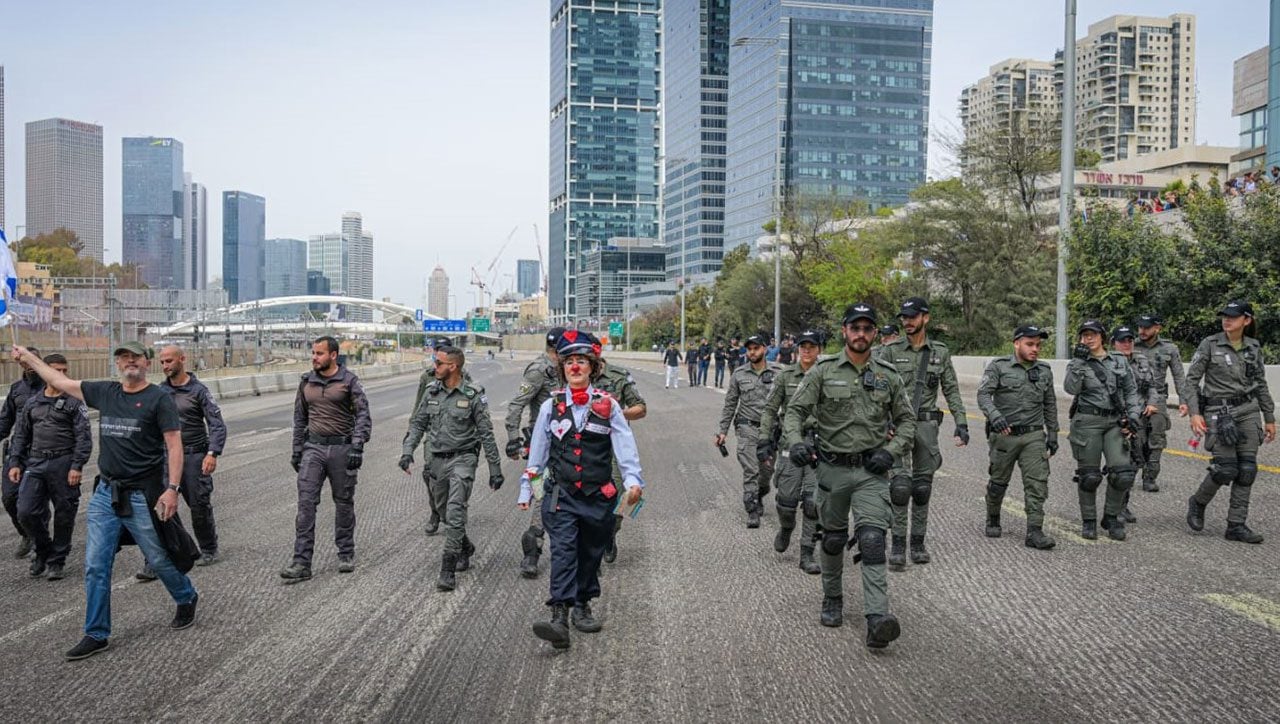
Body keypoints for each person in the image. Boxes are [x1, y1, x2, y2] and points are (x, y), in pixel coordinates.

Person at [13, 342, 198, 661]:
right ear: (117, 363)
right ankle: (96, 633)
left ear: (146, 362)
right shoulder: (105, 392)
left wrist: (173, 488)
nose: (130, 362)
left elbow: (174, 445)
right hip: (105, 495)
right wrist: (30, 358)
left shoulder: (158, 399)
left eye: (136, 357)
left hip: (142, 495)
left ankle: (185, 596)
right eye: (124, 357)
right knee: (96, 565)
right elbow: (59, 382)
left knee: (158, 556)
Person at [784, 303, 911, 648]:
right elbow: (795, 411)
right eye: (855, 328)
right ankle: (833, 597)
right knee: (834, 539)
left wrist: (891, 451)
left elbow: (908, 421)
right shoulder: (823, 371)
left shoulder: (887, 375)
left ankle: (877, 618)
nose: (861, 334)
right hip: (831, 470)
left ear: (873, 334)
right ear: (844, 331)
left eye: (867, 329)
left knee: (872, 539)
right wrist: (795, 442)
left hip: (871, 471)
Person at [518, 331, 644, 650]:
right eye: (569, 362)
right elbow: (538, 453)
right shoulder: (551, 406)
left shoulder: (608, 406)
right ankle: (559, 616)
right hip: (561, 495)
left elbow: (624, 446)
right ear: (563, 370)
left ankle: (583, 604)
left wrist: (632, 481)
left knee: (590, 553)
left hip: (598, 496)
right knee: (563, 550)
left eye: (581, 362)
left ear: (593, 368)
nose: (575, 367)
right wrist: (527, 489)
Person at [875, 297, 968, 568]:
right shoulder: (890, 352)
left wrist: (961, 422)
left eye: (912, 317)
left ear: (925, 318)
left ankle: (918, 543)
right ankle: (898, 545)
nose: (906, 322)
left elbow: (950, 388)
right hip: (899, 426)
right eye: (903, 317)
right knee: (900, 487)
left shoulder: (939, 352)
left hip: (927, 426)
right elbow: (879, 391)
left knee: (922, 487)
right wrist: (883, 422)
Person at [400, 346, 503, 591]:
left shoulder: (473, 394)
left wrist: (495, 468)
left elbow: (486, 433)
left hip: (463, 459)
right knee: (444, 512)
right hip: (436, 460)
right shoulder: (431, 391)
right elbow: (418, 424)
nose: (434, 367)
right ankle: (465, 546)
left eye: (439, 364)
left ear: (453, 366)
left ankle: (447, 569)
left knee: (456, 512)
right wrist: (407, 451)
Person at [281, 336, 372, 583]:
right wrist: (297, 450)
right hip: (314, 449)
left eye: (319, 354)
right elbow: (299, 418)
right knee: (306, 504)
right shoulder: (306, 382)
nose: (314, 358)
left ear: (333, 355)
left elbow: (363, 414)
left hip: (342, 450)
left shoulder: (349, 381)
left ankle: (345, 553)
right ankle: (301, 562)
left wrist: (357, 447)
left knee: (343, 502)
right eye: (313, 353)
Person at [1185, 300, 1275, 543]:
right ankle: (1198, 502)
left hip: (1248, 410)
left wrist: (1269, 417)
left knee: (1246, 470)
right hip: (1218, 410)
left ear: (1246, 320)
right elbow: (1191, 381)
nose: (1227, 320)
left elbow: (1261, 385)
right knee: (1225, 469)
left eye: (1233, 317)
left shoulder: (1253, 347)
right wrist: (1194, 413)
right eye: (1225, 316)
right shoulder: (1210, 344)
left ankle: (1236, 525)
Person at [137, 345, 226, 576]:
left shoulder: (199, 391)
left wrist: (212, 453)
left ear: (182, 360)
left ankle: (208, 548)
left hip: (194, 456)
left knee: (199, 505)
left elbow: (216, 424)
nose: (166, 366)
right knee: (162, 507)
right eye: (163, 362)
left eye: (169, 361)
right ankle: (156, 559)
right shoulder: (158, 393)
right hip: (165, 458)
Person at [8, 353, 92, 579]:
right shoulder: (33, 403)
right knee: (25, 511)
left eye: (65, 371)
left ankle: (57, 560)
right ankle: (43, 549)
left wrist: (77, 465)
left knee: (65, 514)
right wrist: (15, 461)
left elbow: (84, 437)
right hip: (35, 462)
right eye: (56, 370)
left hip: (63, 463)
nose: (61, 375)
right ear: (46, 371)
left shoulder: (75, 402)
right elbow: (21, 435)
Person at [976, 325, 1058, 549]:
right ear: (1016, 343)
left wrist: (1053, 434)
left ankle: (1034, 531)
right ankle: (993, 516)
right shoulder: (999, 367)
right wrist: (995, 416)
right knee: (998, 483)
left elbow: (1050, 403)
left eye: (1038, 345)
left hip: (1033, 436)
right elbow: (983, 395)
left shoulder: (1044, 370)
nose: (1035, 349)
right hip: (1005, 435)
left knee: (1037, 484)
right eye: (1030, 344)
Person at [1064, 320, 1141, 542]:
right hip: (1087, 421)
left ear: (1102, 337)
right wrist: (1078, 362)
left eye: (1093, 334)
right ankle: (1089, 521)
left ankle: (1111, 517)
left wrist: (1134, 416)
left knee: (1123, 473)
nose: (1088, 339)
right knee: (1089, 476)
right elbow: (1070, 388)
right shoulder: (1077, 362)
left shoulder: (1117, 360)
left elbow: (1130, 390)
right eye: (1084, 335)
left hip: (1114, 422)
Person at [758, 328, 823, 574]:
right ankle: (786, 528)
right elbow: (769, 409)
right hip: (789, 444)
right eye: (803, 346)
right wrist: (764, 440)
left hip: (817, 445)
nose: (807, 351)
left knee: (812, 502)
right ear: (797, 349)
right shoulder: (785, 377)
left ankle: (807, 552)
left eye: (812, 346)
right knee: (786, 503)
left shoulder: (827, 375)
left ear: (819, 350)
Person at [504, 328, 563, 577]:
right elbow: (517, 404)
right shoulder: (539, 370)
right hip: (544, 444)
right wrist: (513, 439)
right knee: (544, 495)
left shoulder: (569, 369)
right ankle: (533, 550)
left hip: (570, 441)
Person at [716, 333, 782, 528]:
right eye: (749, 349)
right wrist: (723, 431)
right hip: (746, 427)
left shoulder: (779, 372)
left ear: (764, 349)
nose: (752, 352)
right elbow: (730, 404)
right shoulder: (739, 374)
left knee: (766, 471)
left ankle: (760, 494)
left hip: (770, 431)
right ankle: (751, 509)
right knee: (750, 469)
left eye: (756, 348)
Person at [591, 353, 646, 564]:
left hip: (614, 446)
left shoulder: (619, 376)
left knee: (621, 495)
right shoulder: (574, 377)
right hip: (585, 448)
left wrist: (615, 414)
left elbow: (641, 408)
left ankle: (610, 532)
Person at [1132, 314, 1189, 492]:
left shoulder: (1169, 348)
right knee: (1136, 438)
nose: (1142, 331)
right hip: (1136, 398)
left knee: (1156, 440)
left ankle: (1150, 477)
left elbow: (1179, 375)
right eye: (1140, 327)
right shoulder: (1131, 345)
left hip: (1159, 399)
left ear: (1157, 328)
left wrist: (1183, 400)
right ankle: (1129, 475)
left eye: (1147, 327)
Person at [1109, 326, 1159, 525]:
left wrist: (1153, 402)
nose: (1127, 344)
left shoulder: (1142, 360)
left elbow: (1154, 386)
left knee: (1137, 462)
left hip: (1140, 419)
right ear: (1113, 343)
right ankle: (1116, 507)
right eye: (1122, 341)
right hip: (1119, 420)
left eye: (1129, 340)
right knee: (1122, 466)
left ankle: (1123, 503)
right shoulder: (1108, 363)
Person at [1, 345, 43, 559]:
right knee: (9, 498)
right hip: (16, 453)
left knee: (35, 502)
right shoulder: (17, 389)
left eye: (32, 359)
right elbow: (5, 420)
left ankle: (40, 544)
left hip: (42, 452)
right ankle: (26, 534)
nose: (27, 363)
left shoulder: (51, 386)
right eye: (24, 359)